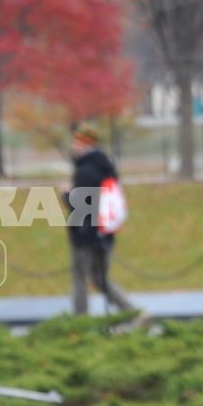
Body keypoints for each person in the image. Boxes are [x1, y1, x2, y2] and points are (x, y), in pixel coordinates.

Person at [63, 123, 147, 327]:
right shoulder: (105, 167)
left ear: (84, 145)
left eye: (77, 142)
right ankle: (134, 313)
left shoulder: (85, 171)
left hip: (85, 234)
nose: (73, 147)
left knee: (80, 279)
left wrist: (66, 193)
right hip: (105, 232)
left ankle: (79, 324)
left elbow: (81, 207)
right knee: (100, 279)